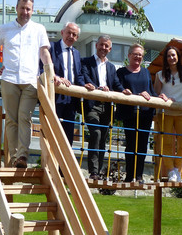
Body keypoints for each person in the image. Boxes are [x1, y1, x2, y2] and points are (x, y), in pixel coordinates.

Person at [0, 0, 52, 169]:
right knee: (11, 119)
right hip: (9, 79)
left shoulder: (39, 29)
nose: (25, 12)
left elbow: (44, 53)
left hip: (30, 80)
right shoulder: (5, 29)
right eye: (22, 8)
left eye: (28, 9)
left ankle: (22, 156)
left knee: (25, 117)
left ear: (32, 11)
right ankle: (15, 156)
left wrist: (50, 71)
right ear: (16, 8)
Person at [116, 43, 163, 182]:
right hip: (130, 113)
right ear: (129, 55)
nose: (138, 57)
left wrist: (159, 96)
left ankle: (139, 175)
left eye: (140, 55)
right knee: (131, 144)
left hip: (145, 113)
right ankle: (130, 175)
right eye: (135, 54)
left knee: (142, 145)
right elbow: (120, 90)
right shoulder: (121, 72)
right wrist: (137, 93)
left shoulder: (146, 72)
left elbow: (150, 91)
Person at [154, 46, 182, 182]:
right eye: (168, 56)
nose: (171, 58)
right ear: (166, 59)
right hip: (166, 112)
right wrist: (163, 97)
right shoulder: (160, 74)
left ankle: (178, 168)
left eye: (173, 55)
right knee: (166, 142)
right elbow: (156, 92)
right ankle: (171, 171)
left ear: (178, 57)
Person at [81, 35, 123, 179]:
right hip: (92, 104)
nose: (103, 48)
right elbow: (85, 77)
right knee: (96, 133)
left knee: (103, 137)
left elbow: (116, 84)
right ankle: (93, 171)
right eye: (101, 45)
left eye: (107, 46)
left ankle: (98, 172)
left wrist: (123, 90)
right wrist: (98, 88)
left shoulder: (111, 67)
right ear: (96, 45)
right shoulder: (86, 62)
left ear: (110, 49)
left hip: (107, 106)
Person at [44, 22, 86, 145]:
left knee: (68, 138)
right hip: (54, 97)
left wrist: (85, 86)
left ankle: (64, 165)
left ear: (77, 38)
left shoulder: (77, 53)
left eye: (74, 34)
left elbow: (78, 75)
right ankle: (51, 164)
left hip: (71, 101)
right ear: (62, 32)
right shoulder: (50, 48)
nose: (71, 36)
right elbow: (42, 69)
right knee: (52, 134)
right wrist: (56, 77)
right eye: (69, 32)